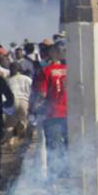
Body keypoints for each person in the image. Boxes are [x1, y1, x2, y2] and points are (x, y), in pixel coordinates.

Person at [35, 40, 69, 182]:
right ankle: (68, 176)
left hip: (52, 114)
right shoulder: (70, 69)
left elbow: (42, 94)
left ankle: (54, 180)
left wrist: (35, 107)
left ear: (51, 53)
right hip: (69, 114)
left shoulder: (46, 71)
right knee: (69, 147)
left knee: (53, 149)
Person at [6, 62, 32, 146]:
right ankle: (22, 125)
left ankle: (10, 142)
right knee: (24, 120)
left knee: (10, 124)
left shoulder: (8, 80)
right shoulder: (27, 79)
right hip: (25, 101)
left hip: (12, 102)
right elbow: (32, 92)